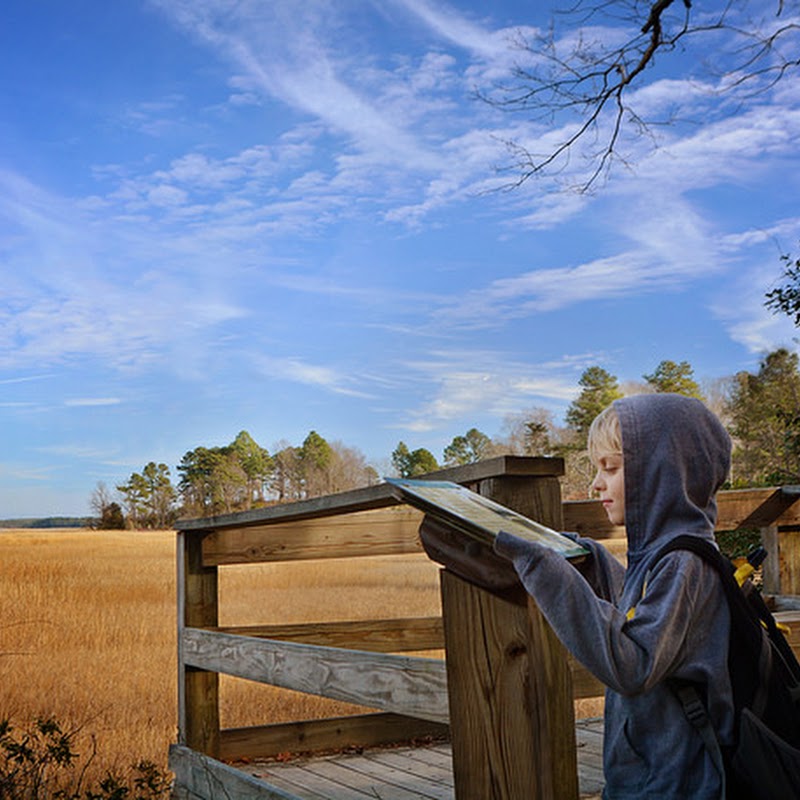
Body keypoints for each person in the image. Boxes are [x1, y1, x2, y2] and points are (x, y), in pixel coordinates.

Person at [494, 393, 734, 799]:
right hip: (647, 778)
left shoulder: (684, 563)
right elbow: (644, 612)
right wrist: (593, 562)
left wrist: (543, 567)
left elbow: (634, 663)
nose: (596, 483)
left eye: (612, 468)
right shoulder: (664, 555)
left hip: (676, 786)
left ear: (660, 474)